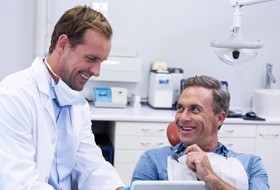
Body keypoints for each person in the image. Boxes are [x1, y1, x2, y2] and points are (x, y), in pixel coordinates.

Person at [0, 5, 125, 190]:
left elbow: (91, 166)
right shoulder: (14, 95)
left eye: (101, 62)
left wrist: (116, 188)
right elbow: (21, 183)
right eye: (91, 59)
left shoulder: (77, 104)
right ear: (63, 45)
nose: (97, 72)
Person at [131, 75, 269, 190]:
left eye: (195, 109)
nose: (183, 118)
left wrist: (211, 178)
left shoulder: (251, 164)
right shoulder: (154, 161)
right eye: (180, 108)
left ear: (219, 118)